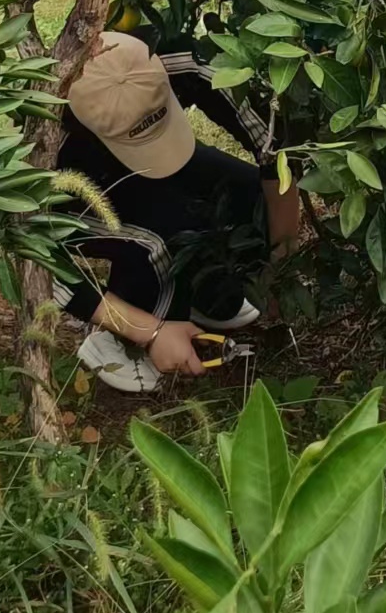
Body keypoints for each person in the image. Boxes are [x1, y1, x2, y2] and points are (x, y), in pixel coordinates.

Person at [52, 30, 301, 393]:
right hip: (82, 190)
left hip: (137, 171)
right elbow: (38, 259)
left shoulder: (179, 59)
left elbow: (275, 152)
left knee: (245, 193)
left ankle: (207, 296)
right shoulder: (46, 138)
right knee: (153, 242)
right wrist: (150, 331)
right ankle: (123, 337)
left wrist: (282, 260)